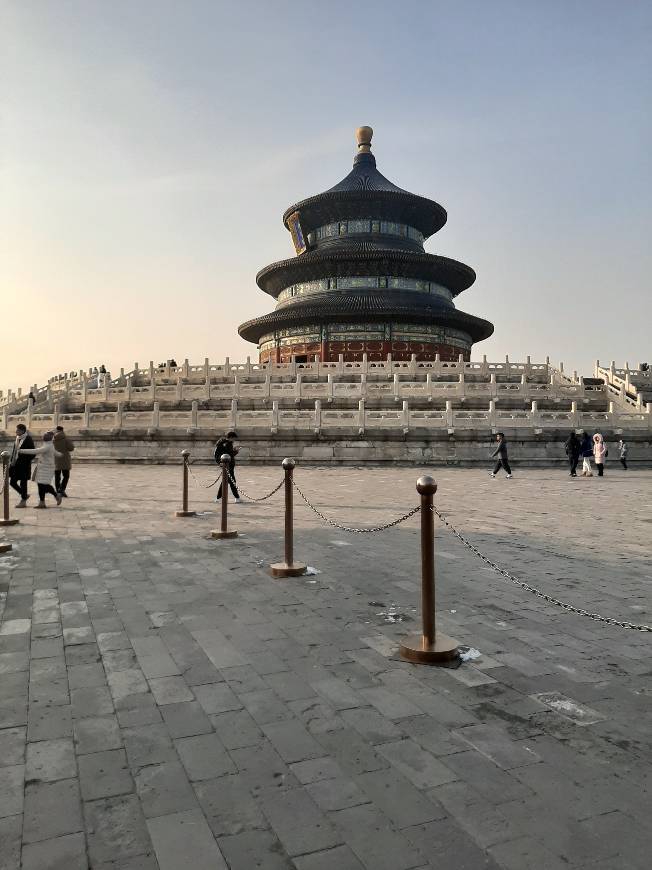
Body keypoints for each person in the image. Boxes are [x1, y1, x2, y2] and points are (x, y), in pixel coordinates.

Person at [18, 431, 62, 507]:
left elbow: (36, 451)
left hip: (46, 468)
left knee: (43, 485)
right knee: (41, 485)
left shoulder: (47, 446)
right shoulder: (49, 444)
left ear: (48, 438)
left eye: (44, 436)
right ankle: (42, 502)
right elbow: (55, 453)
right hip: (43, 468)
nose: (43, 437)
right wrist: (61, 454)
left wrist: (21, 451)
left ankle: (55, 495)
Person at [9, 423, 34, 507]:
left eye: (18, 430)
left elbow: (33, 453)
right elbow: (14, 451)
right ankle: (24, 495)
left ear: (22, 431)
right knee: (12, 482)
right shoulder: (17, 439)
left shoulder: (28, 439)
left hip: (24, 466)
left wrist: (25, 460)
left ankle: (23, 501)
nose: (16, 431)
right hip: (15, 465)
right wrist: (12, 462)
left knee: (23, 483)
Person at [214, 430, 240, 502]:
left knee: (225, 481)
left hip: (225, 464)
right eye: (234, 438)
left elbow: (227, 453)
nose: (234, 440)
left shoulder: (223, 443)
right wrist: (236, 451)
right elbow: (229, 455)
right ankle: (237, 498)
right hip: (228, 465)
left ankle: (218, 498)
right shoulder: (228, 444)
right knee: (232, 481)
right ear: (231, 437)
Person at [53, 425, 75, 497]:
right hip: (65, 460)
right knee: (66, 476)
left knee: (57, 476)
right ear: (62, 430)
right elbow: (71, 448)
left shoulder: (53, 439)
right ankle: (62, 489)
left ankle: (57, 490)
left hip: (56, 459)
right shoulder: (66, 439)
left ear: (57, 430)